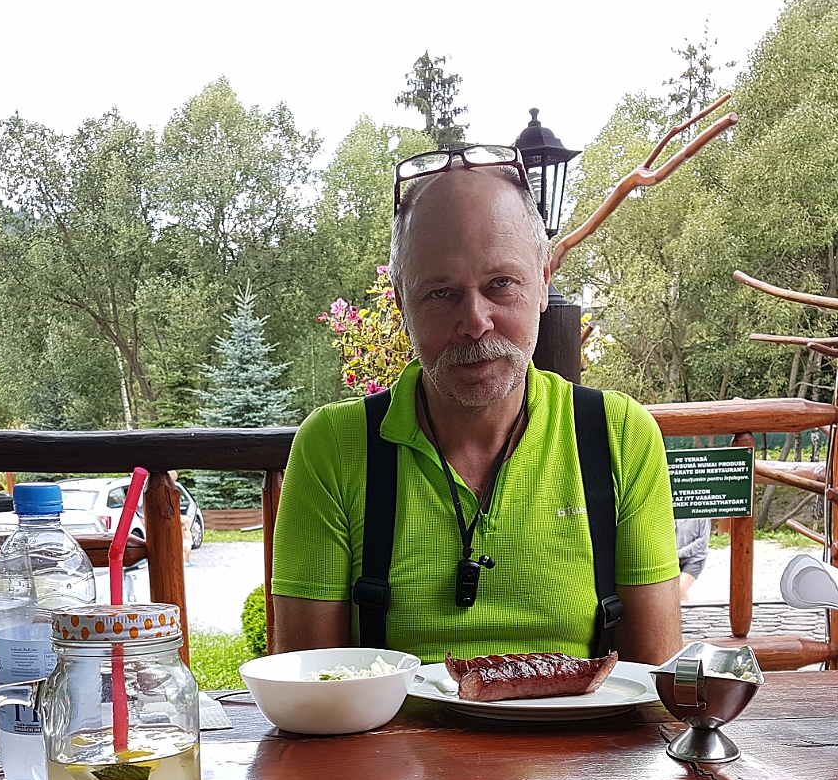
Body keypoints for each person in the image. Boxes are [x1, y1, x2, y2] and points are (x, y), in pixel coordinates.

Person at [270, 146, 682, 665]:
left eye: (501, 285)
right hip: (390, 749)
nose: (476, 321)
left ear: (542, 285)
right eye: (441, 293)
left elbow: (652, 688)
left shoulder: (617, 436)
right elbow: (313, 687)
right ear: (401, 304)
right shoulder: (334, 447)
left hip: (579, 748)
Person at [675, 518, 711, 601]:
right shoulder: (675, 508)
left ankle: (684, 613)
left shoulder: (701, 513)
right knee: (669, 591)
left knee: (680, 590)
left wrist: (680, 553)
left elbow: (703, 541)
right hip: (675, 557)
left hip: (695, 558)